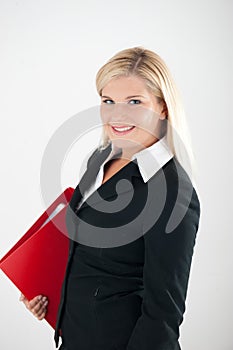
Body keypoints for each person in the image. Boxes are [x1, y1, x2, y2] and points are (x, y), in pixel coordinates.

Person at [20, 46, 201, 350]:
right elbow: (86, 253)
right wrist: (49, 294)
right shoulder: (102, 158)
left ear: (163, 108)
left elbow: (163, 315)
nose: (118, 114)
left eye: (134, 102)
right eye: (108, 101)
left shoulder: (172, 193)